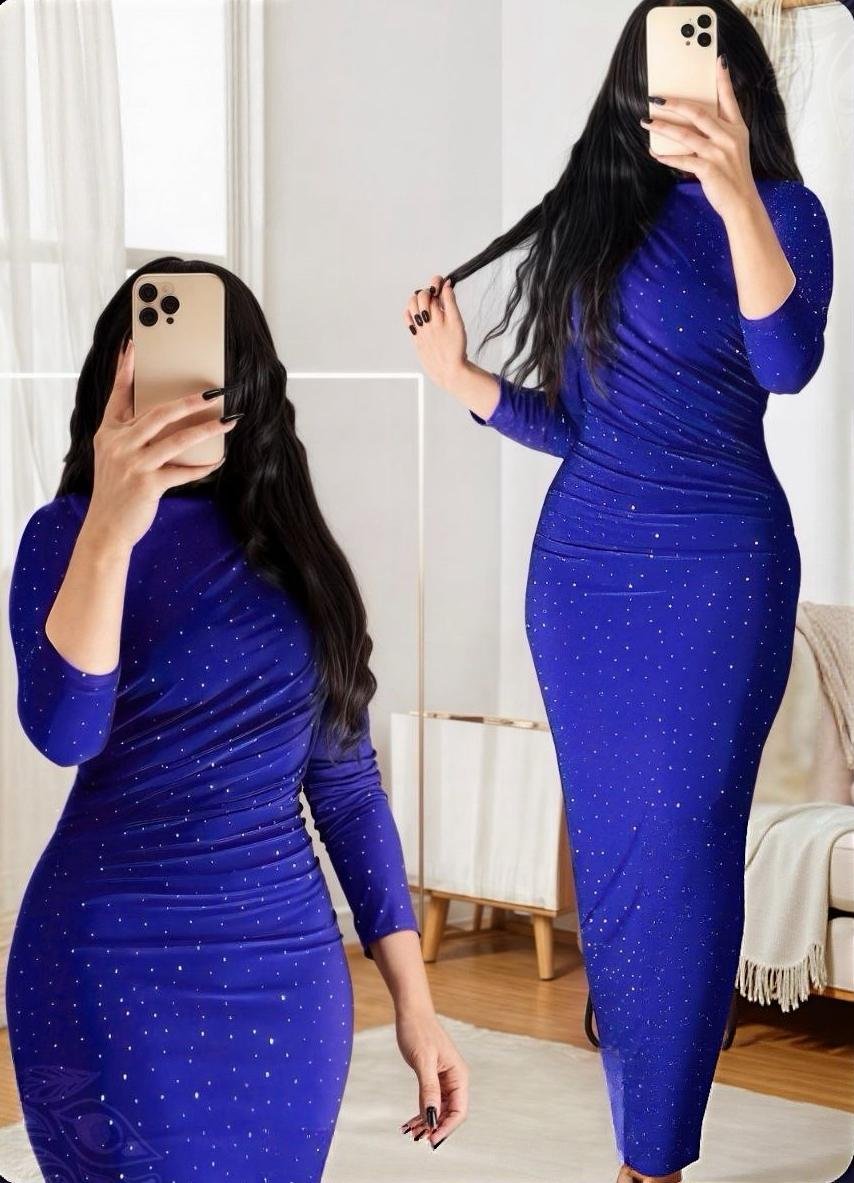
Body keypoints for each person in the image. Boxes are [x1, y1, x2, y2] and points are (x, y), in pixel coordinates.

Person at [403, 1, 832, 1180]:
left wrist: (734, 192)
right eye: (653, 73)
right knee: (612, 863)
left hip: (716, 576)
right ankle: (637, 1129)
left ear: (739, 82)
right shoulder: (597, 220)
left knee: (684, 849)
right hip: (580, 578)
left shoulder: (786, 213)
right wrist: (460, 378)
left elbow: (787, 362)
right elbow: (583, 428)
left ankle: (655, 1155)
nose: (675, 91)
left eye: (700, 66)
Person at [6, 258, 467, 1183]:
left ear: (246, 387)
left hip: (287, 984)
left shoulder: (301, 559)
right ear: (114, 381)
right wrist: (112, 524)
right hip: (110, 968)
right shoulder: (64, 536)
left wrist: (416, 1007)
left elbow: (347, 793)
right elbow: (63, 733)